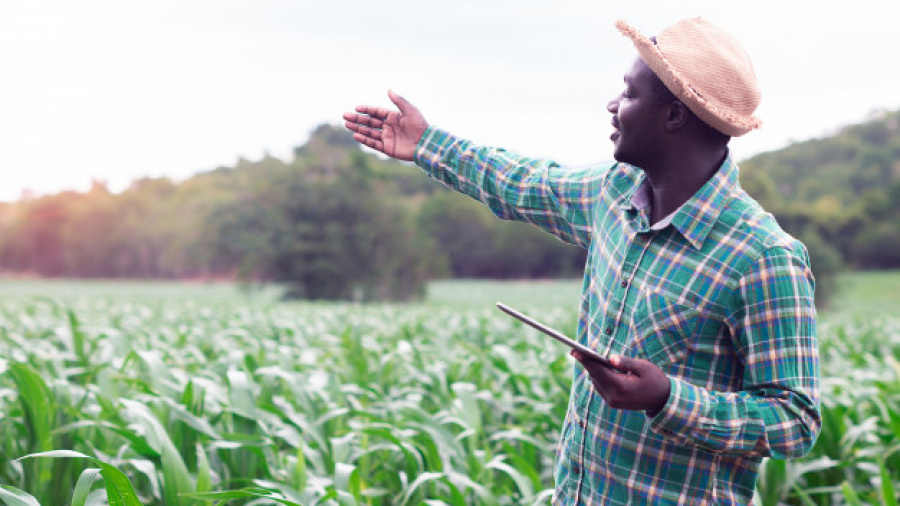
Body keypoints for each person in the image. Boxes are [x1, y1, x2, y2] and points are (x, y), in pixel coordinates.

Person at [343, 17, 820, 505]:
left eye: (630, 95)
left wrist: (667, 400)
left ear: (674, 116)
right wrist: (426, 144)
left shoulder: (763, 258)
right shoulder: (612, 194)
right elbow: (522, 182)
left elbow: (794, 421)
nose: (613, 106)